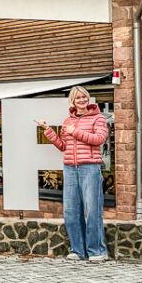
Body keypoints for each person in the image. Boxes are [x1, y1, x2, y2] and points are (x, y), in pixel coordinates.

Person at [36, 86, 110, 263]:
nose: (82, 100)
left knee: (92, 211)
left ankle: (96, 251)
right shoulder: (68, 120)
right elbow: (63, 146)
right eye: (78, 98)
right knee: (71, 211)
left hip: (90, 168)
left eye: (84, 97)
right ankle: (77, 250)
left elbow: (99, 140)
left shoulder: (98, 118)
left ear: (88, 99)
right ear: (73, 101)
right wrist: (48, 131)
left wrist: (75, 132)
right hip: (70, 169)